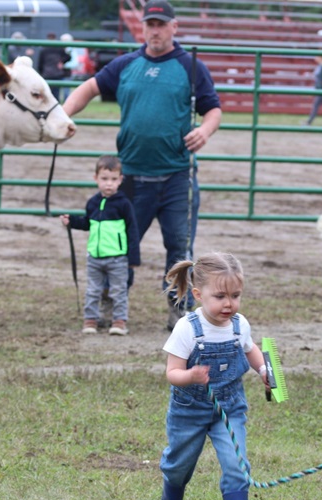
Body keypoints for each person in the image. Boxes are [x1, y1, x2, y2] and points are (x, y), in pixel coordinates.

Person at [62, 0, 223, 331]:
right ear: (144, 27)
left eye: (162, 24)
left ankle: (179, 308)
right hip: (132, 176)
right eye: (150, 23)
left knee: (179, 246)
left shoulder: (191, 67)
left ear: (174, 28)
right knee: (118, 244)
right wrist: (63, 117)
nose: (155, 30)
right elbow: (89, 88)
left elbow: (213, 109)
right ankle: (110, 303)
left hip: (176, 176)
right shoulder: (125, 65)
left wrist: (204, 130)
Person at [158, 252, 270, 500]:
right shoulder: (187, 328)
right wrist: (190, 376)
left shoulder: (239, 324)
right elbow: (172, 372)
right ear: (198, 294)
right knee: (179, 465)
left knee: (237, 464)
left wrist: (262, 368)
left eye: (235, 295)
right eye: (220, 296)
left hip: (229, 408)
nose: (229, 303)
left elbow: (250, 349)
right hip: (189, 409)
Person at [60, 155, 140, 336]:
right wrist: (71, 221)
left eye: (113, 179)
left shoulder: (124, 204)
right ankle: (90, 320)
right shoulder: (93, 203)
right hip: (94, 258)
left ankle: (119, 321)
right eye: (104, 179)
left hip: (118, 258)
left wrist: (133, 258)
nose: (108, 184)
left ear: (120, 180)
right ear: (95, 178)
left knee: (119, 291)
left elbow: (132, 231)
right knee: (93, 290)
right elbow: (88, 223)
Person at [37, 32, 71, 101]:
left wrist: (41, 73)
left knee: (47, 93)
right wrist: (61, 61)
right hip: (57, 74)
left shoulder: (44, 49)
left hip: (46, 74)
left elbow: (40, 63)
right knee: (56, 94)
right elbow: (68, 57)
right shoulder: (59, 47)